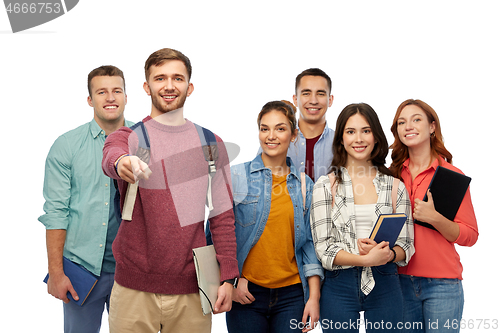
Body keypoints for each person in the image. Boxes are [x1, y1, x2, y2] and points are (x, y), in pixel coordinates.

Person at [102, 48, 239, 333]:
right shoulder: (130, 137)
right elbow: (111, 153)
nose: (168, 86)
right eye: (160, 78)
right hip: (132, 290)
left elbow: (222, 216)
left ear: (189, 87)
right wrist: (122, 162)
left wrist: (228, 276)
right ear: (146, 86)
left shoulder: (210, 144)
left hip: (192, 289)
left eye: (177, 78)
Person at [39, 65, 133, 332]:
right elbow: (56, 212)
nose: (110, 98)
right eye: (101, 92)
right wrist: (56, 273)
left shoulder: (146, 140)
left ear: (127, 96)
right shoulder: (67, 146)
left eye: (117, 91)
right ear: (90, 100)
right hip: (81, 270)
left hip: (132, 272)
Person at [310, 103, 414, 332]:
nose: (359, 138)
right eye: (350, 131)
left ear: (376, 137)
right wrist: (365, 260)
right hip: (339, 284)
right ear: (341, 139)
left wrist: (387, 255)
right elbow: (324, 248)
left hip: (385, 280)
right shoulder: (325, 186)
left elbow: (407, 245)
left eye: (366, 131)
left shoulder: (394, 186)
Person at [226, 100, 323, 333]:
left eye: (280, 128)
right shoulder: (235, 176)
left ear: (293, 135)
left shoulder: (304, 185)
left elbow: (310, 245)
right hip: (246, 294)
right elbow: (218, 237)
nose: (271, 136)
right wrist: (230, 282)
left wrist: (313, 297)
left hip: (292, 295)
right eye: (264, 128)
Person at [389, 99, 478, 333]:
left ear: (432, 127)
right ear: (397, 131)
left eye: (416, 119)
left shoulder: (451, 176)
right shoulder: (391, 176)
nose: (408, 126)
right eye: (401, 122)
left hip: (442, 285)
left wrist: (435, 218)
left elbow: (470, 235)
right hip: (398, 282)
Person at [290, 68, 335, 181]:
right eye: (306, 93)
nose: (313, 101)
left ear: (330, 100)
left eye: (320, 94)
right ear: (295, 100)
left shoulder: (341, 142)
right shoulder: (277, 140)